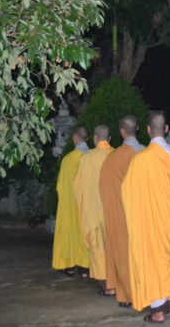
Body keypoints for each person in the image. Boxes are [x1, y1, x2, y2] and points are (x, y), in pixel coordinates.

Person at [122, 112, 170, 322]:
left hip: (148, 223)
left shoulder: (139, 160)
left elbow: (127, 194)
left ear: (148, 130)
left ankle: (159, 311)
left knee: (153, 263)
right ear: (167, 129)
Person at [98, 115, 145, 306]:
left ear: (121, 131)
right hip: (145, 214)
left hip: (122, 214)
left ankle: (127, 294)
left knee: (124, 254)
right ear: (138, 129)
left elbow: (105, 190)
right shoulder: (148, 154)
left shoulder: (113, 158)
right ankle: (149, 292)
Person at [73, 125, 114, 291]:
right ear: (109, 139)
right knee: (114, 248)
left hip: (94, 212)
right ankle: (115, 283)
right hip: (114, 212)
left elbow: (78, 187)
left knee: (98, 249)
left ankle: (107, 285)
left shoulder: (87, 158)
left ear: (95, 139)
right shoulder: (116, 155)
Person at [52, 126, 91, 278]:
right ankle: (86, 268)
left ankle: (69, 266)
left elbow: (61, 186)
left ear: (75, 138)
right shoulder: (93, 157)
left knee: (70, 233)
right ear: (87, 138)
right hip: (88, 205)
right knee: (87, 234)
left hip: (72, 204)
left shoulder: (69, 159)